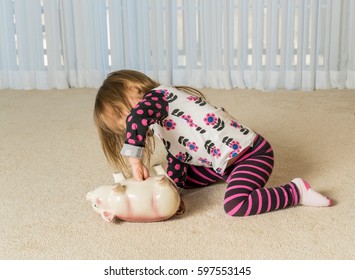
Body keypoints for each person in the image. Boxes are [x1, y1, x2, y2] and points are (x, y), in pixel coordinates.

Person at [93, 69, 333, 217]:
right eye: (121, 127)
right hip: (221, 164)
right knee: (179, 176)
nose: (127, 126)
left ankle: (296, 192)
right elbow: (178, 154)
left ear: (131, 87)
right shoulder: (159, 123)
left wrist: (135, 159)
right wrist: (174, 193)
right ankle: (223, 176)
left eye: (121, 114)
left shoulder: (160, 96)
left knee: (236, 205)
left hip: (252, 155)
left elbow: (137, 117)